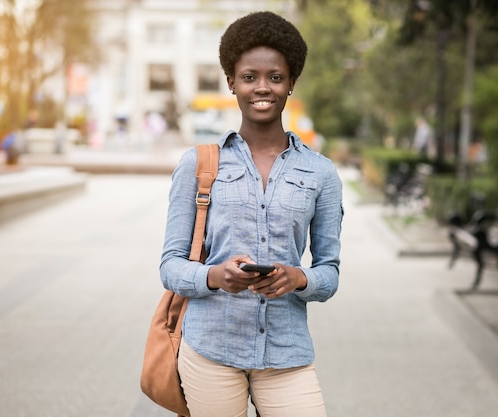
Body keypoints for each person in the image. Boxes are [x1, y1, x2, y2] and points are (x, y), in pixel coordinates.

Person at [160, 11, 343, 417]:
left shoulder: (320, 173)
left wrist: (298, 278)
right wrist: (215, 275)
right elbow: (170, 266)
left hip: (287, 351)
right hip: (211, 348)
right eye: (249, 77)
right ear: (231, 83)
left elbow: (329, 273)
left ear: (291, 82)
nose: (263, 88)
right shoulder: (198, 165)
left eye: (275, 77)